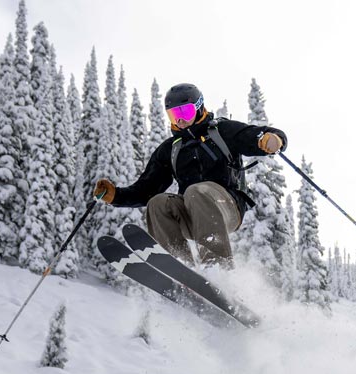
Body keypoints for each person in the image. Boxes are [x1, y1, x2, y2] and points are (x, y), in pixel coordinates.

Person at [93, 83, 287, 268]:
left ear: (199, 107)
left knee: (196, 191)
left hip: (228, 208)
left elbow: (257, 135)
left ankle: (217, 267)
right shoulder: (170, 149)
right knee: (158, 203)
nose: (180, 120)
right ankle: (181, 266)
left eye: (184, 112)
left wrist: (270, 139)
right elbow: (147, 189)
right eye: (173, 115)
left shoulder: (222, 131)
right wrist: (115, 196)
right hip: (193, 214)